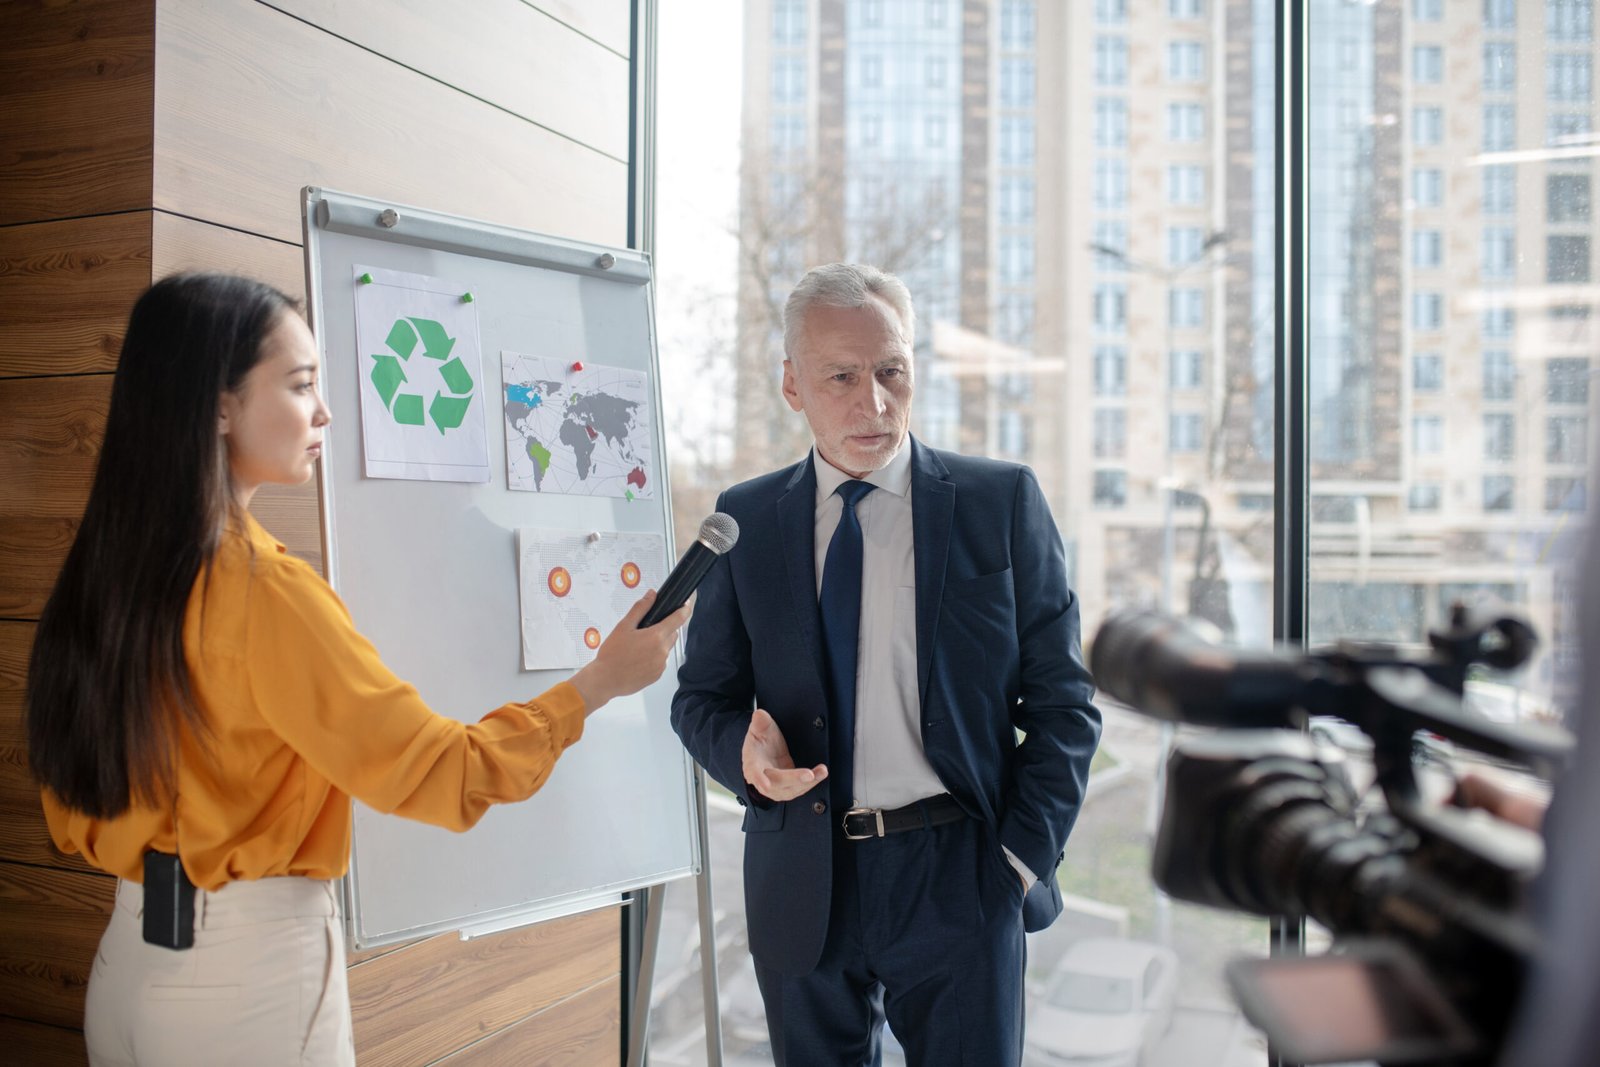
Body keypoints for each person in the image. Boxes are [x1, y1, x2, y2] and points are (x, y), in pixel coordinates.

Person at [25, 272, 688, 1067]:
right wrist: (597, 684)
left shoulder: (103, 575)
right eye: (301, 385)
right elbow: (446, 773)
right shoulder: (266, 591)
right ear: (219, 404)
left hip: (125, 967)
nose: (326, 413)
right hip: (246, 986)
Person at [671, 262, 1102, 1065]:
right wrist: (742, 754)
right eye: (841, 376)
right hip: (803, 878)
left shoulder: (999, 502)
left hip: (961, 875)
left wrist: (1016, 862)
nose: (873, 402)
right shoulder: (745, 520)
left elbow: (1064, 707)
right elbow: (700, 698)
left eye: (891, 371)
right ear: (793, 385)